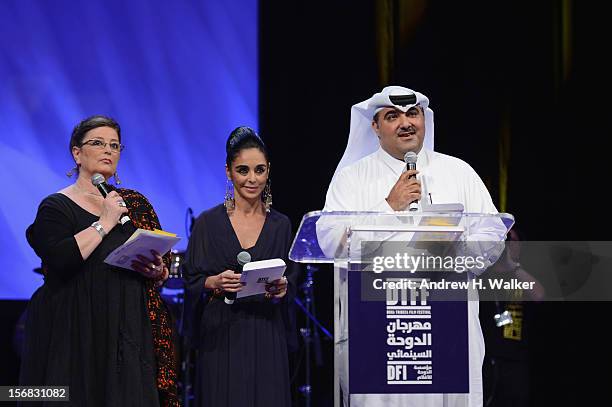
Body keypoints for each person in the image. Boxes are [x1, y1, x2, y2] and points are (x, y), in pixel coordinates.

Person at [322, 86, 507, 407]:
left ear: (424, 119)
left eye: (412, 114)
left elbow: (493, 231)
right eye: (392, 116)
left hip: (449, 324)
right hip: (383, 327)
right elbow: (329, 241)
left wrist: (457, 253)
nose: (405, 123)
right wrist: (388, 208)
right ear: (375, 127)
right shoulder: (352, 179)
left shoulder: (458, 172)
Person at [20, 115, 179, 406]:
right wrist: (104, 221)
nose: (108, 150)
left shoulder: (132, 205)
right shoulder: (56, 206)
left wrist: (157, 270)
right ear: (77, 153)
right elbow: (60, 259)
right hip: (77, 327)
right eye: (98, 143)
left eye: (115, 145)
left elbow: (148, 260)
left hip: (126, 326)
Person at [183, 126, 295, 407]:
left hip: (267, 331)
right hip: (221, 333)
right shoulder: (207, 224)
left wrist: (284, 286)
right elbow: (191, 281)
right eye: (243, 170)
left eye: (259, 170)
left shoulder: (281, 225)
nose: (252, 179)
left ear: (268, 170)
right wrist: (214, 282)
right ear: (228, 172)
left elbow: (292, 275)